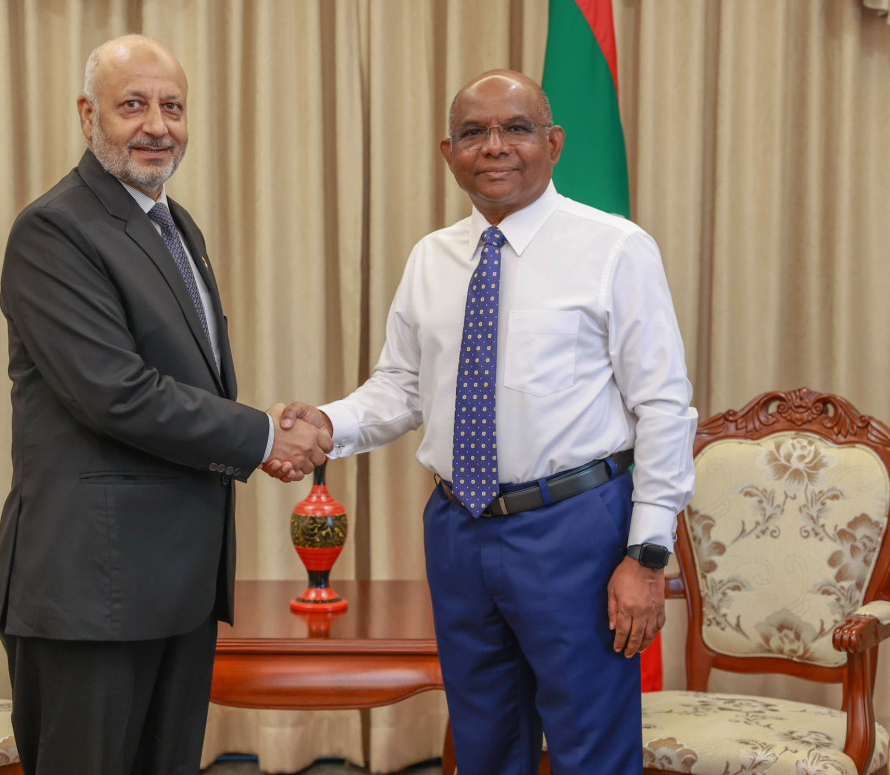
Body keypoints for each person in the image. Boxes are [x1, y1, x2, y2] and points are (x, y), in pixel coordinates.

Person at [266, 70, 698, 774]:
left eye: (515, 129)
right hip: (458, 530)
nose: (494, 147)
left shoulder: (615, 249)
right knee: (484, 746)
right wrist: (324, 424)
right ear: (448, 152)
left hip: (576, 532)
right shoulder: (430, 259)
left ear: (552, 143)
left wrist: (646, 555)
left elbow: (662, 407)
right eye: (474, 132)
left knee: (590, 750)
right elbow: (400, 389)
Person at [0, 34, 332, 775]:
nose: (157, 126)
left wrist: (258, 432)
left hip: (175, 582)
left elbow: (186, 381)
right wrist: (261, 435)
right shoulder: (56, 229)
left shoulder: (176, 228)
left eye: (171, 107)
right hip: (93, 589)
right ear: (89, 117)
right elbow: (114, 393)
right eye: (132, 106)